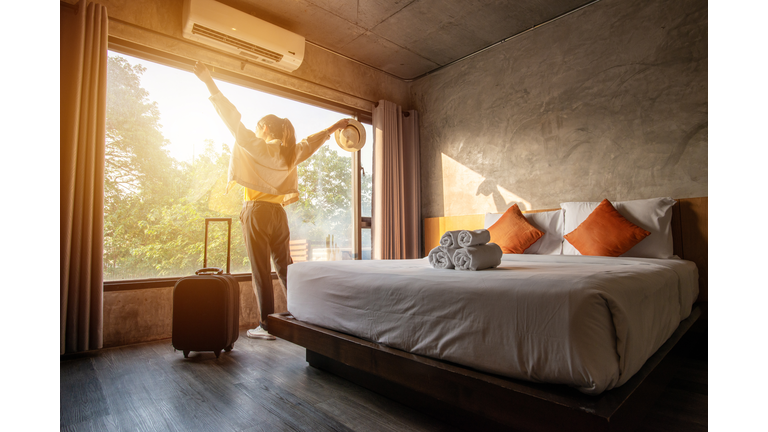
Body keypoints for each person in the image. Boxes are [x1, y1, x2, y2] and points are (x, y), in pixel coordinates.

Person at [193, 61, 349, 340]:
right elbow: (312, 143)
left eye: (257, 127)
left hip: (257, 212)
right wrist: (334, 126)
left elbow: (230, 117)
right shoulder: (290, 153)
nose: (255, 131)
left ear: (264, 128)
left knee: (260, 270)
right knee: (285, 267)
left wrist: (208, 82)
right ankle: (301, 315)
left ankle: (265, 324)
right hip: (279, 215)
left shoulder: (257, 146)